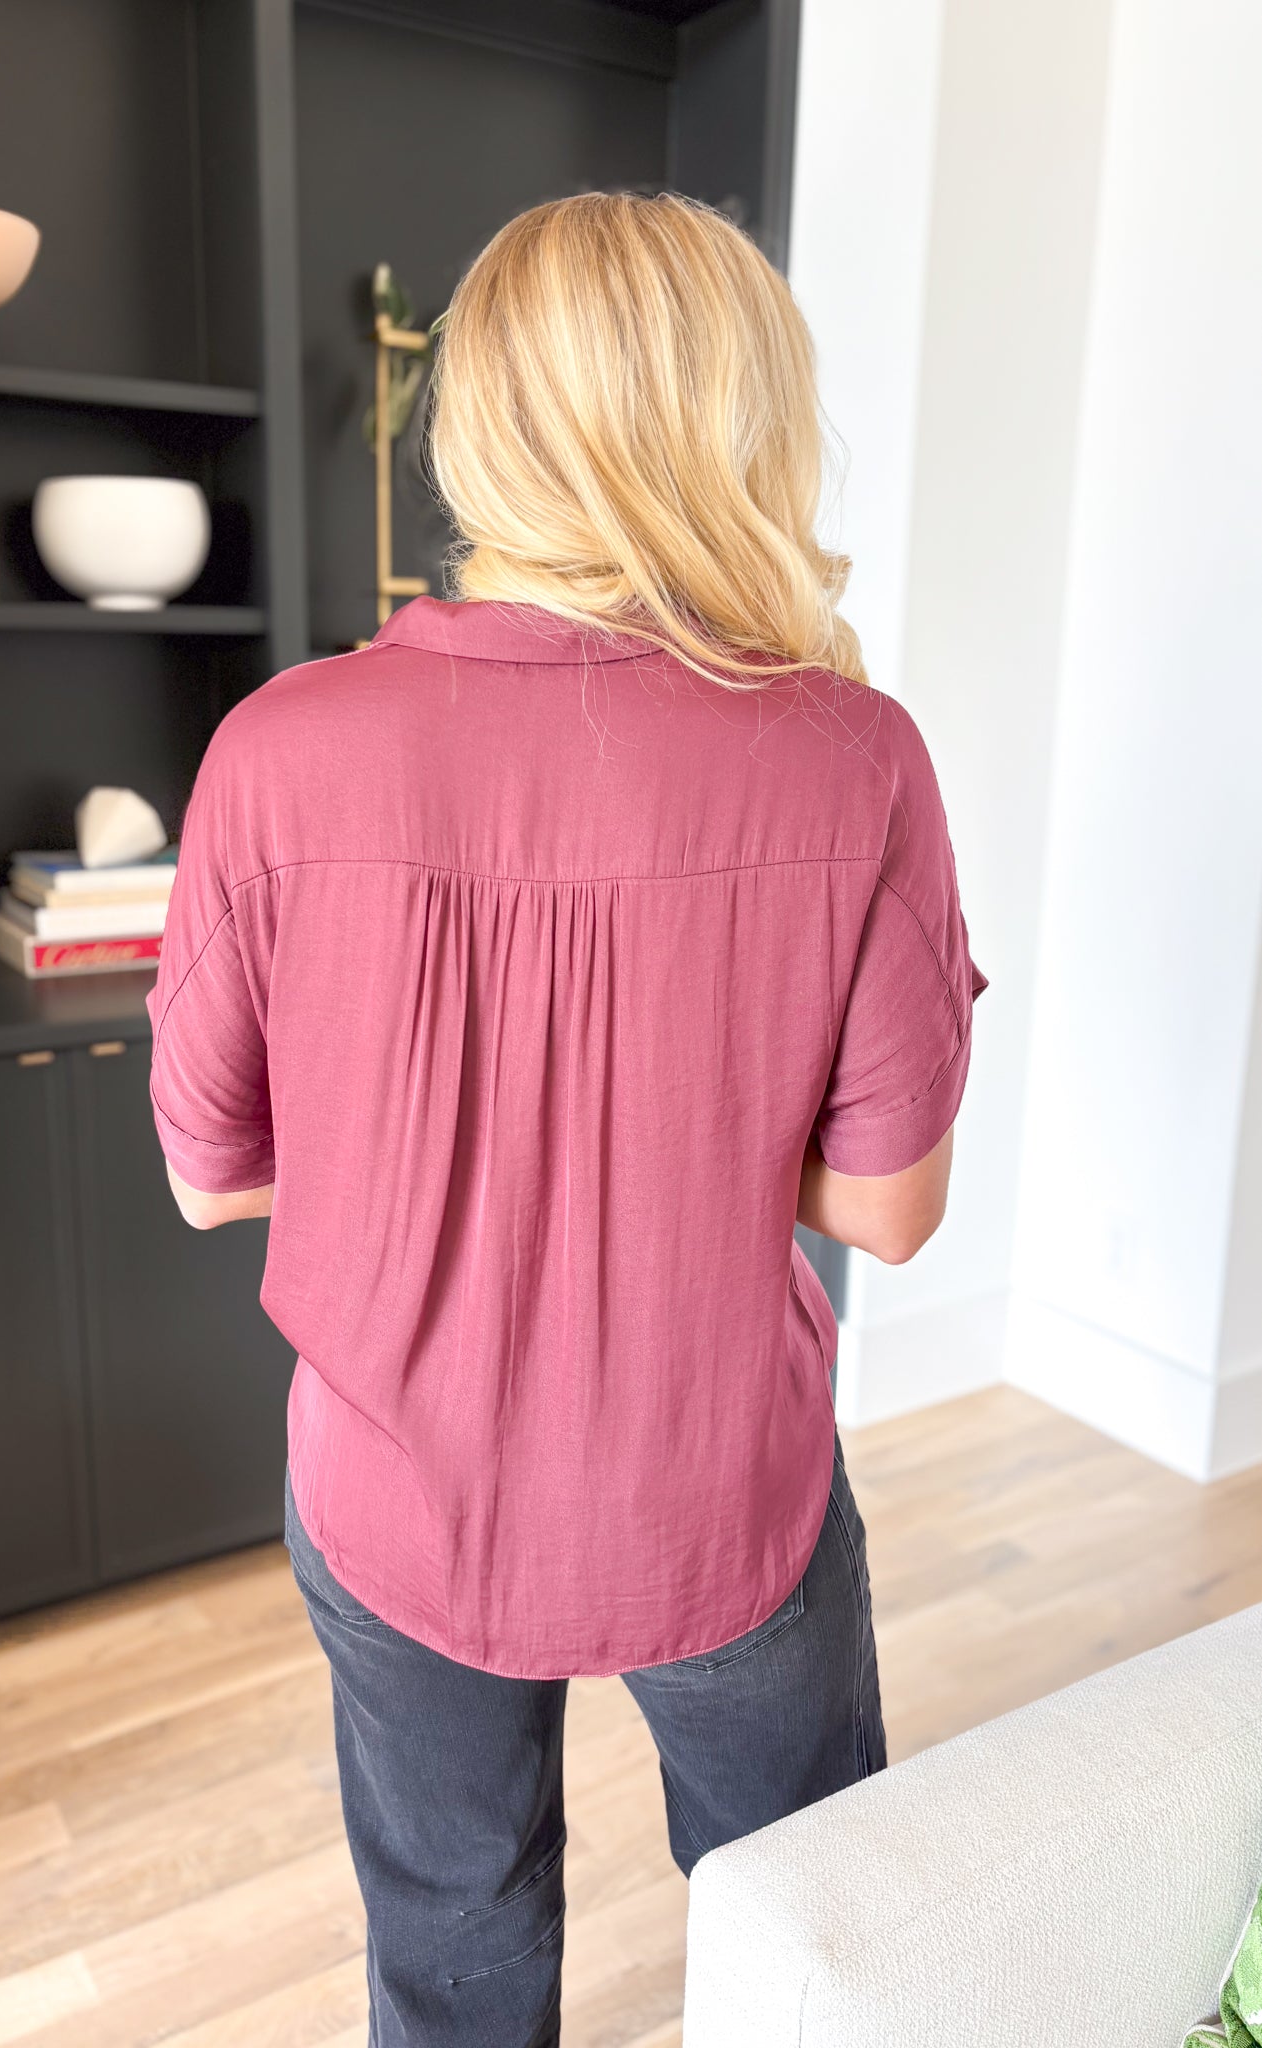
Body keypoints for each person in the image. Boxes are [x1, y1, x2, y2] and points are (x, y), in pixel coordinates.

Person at [146, 191, 987, 2047]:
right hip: (719, 1498)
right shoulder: (856, 753)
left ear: (479, 418)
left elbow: (214, 1178)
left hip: (395, 1493)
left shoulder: (277, 749)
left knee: (447, 1952)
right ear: (742, 419)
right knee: (815, 1934)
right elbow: (891, 1209)